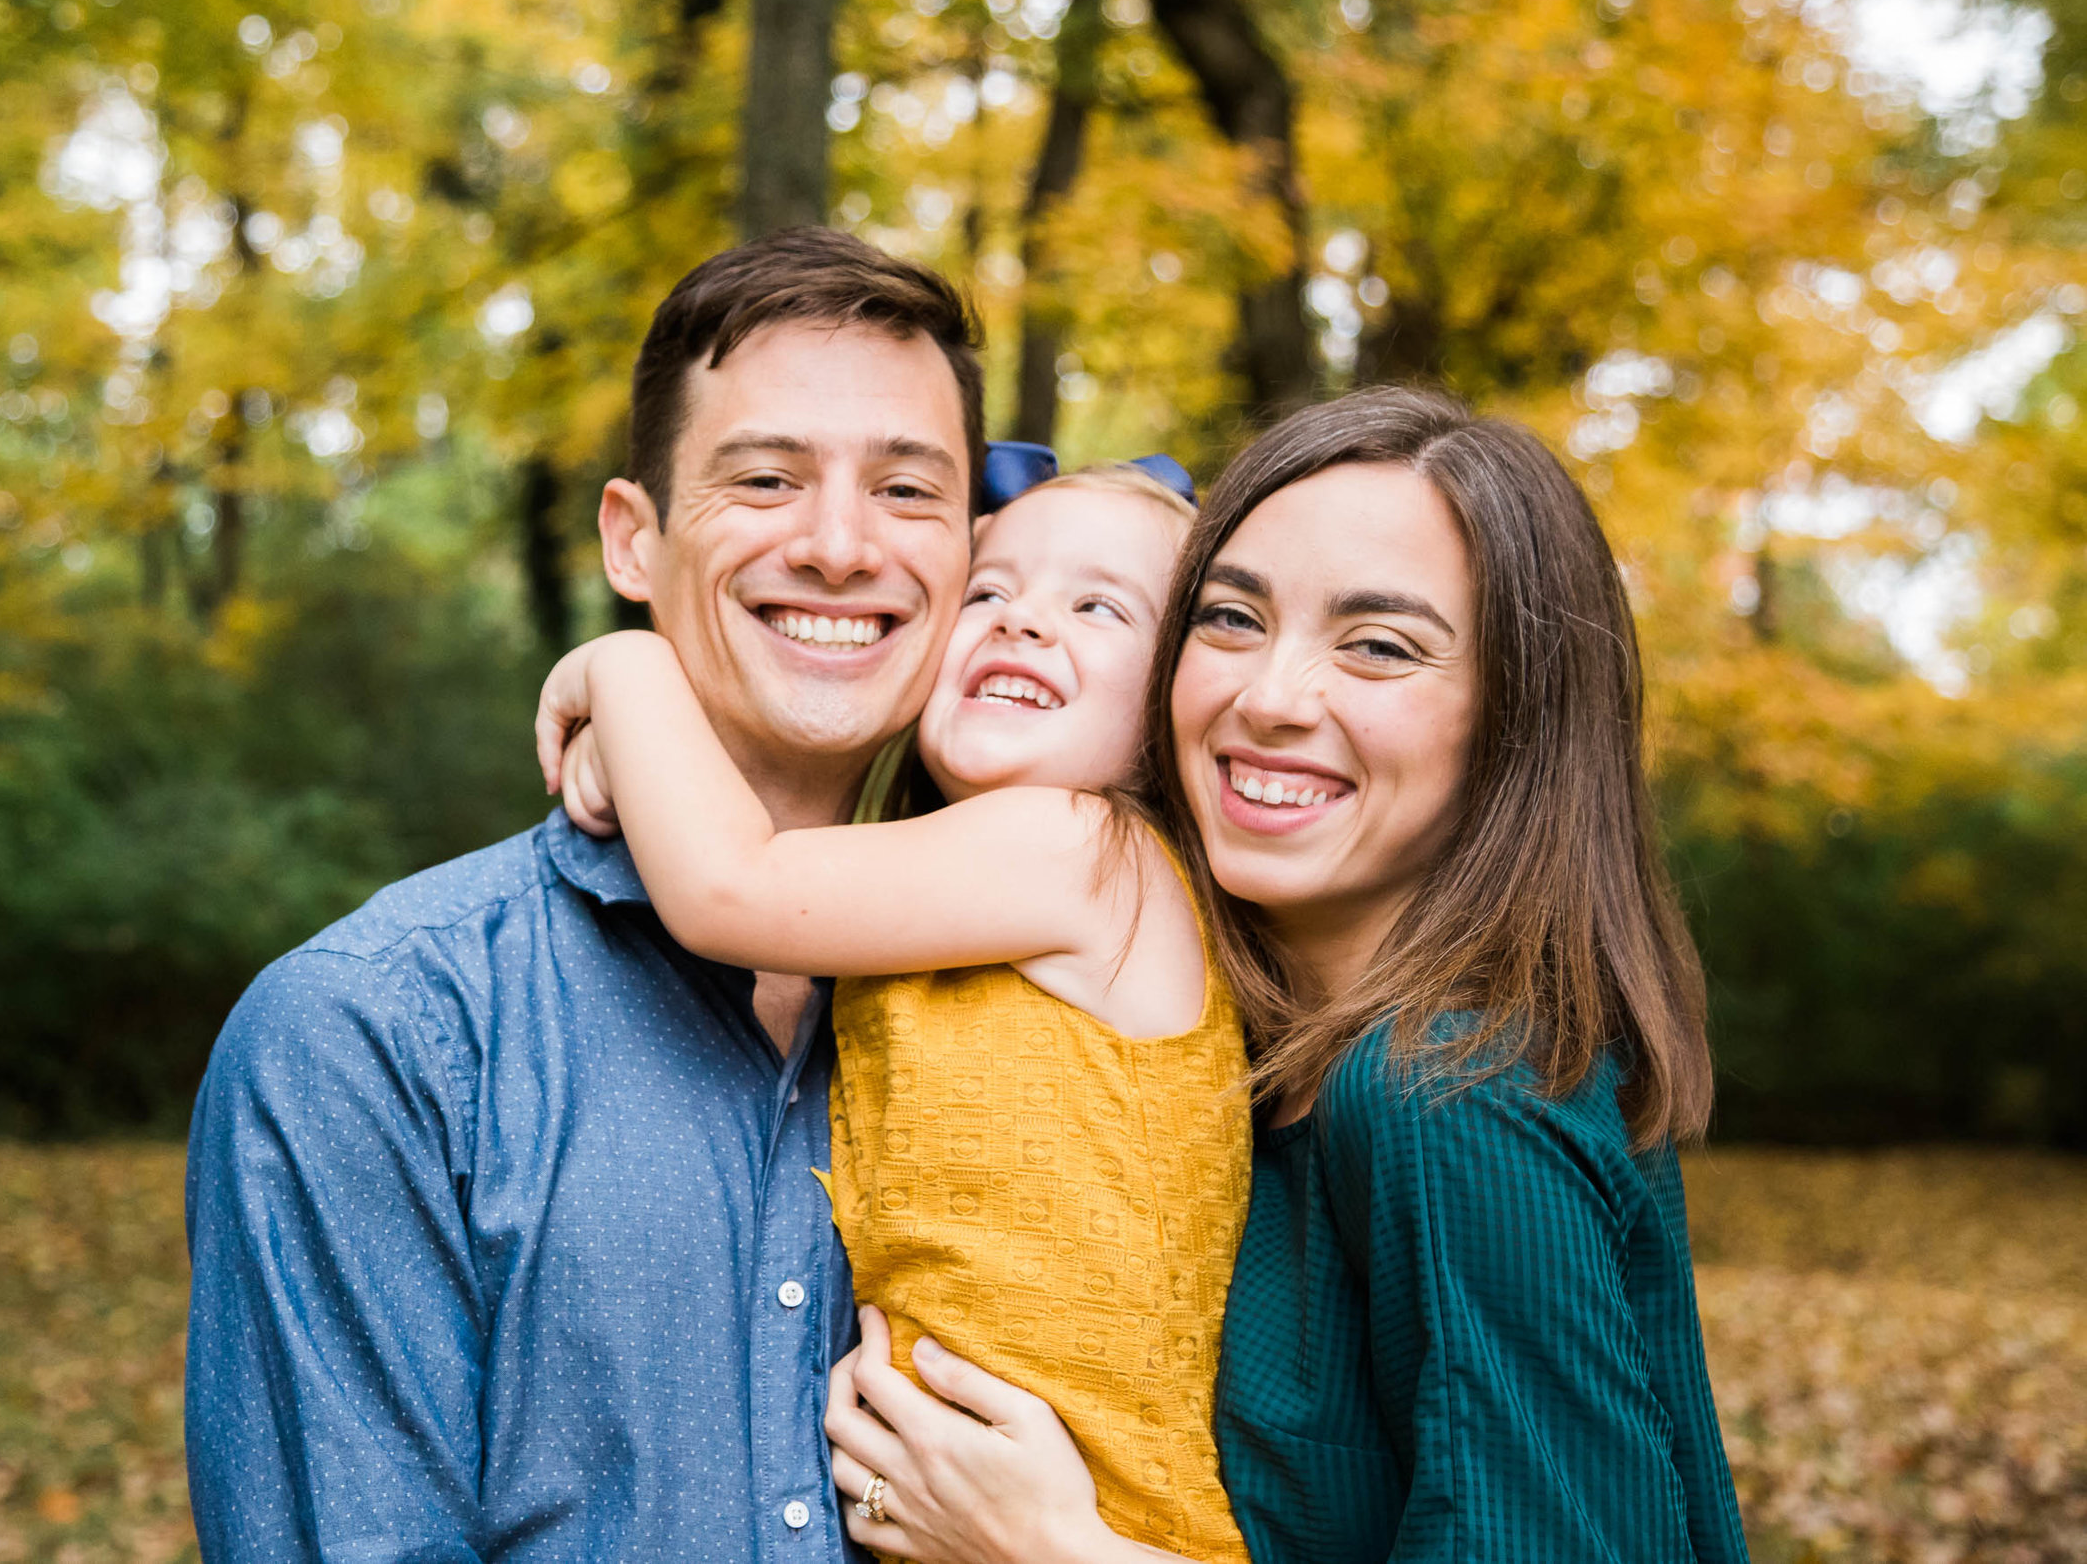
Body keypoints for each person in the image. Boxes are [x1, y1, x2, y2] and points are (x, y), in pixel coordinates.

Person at [822, 388, 1749, 1564]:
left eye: (1378, 645)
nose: (1268, 696)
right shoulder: (1210, 1043)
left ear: (1520, 716)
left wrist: (1051, 1547)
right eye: (1228, 618)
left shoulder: (1453, 1096)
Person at [182, 226, 982, 1562]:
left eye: (908, 491)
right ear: (633, 536)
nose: (842, 545)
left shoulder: (1060, 995)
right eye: (767, 477)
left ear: (970, 552)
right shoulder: (371, 1036)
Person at [537, 460, 1251, 1564]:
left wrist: (629, 675)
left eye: (1097, 605)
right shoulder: (943, 890)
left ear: (1174, 700)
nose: (1023, 621)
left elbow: (731, 882)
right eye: (987, 590)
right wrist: (651, 767)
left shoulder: (1084, 852)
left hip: (1102, 1522)